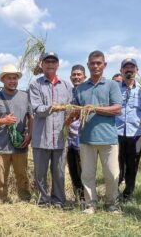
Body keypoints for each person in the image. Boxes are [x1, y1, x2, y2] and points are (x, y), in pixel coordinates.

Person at [74, 50, 122, 214]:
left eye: (98, 63)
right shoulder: (80, 88)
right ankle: (91, 204)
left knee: (112, 174)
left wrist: (94, 108)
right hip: (86, 138)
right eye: (92, 63)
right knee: (87, 175)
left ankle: (111, 204)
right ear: (88, 65)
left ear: (104, 65)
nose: (95, 66)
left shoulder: (112, 85)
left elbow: (117, 109)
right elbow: (76, 110)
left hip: (108, 138)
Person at [0, 65, 32, 203]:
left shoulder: (25, 96)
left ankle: (24, 198)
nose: (12, 81)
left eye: (15, 78)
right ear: (3, 80)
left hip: (20, 144)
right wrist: (4, 120)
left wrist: (30, 134)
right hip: (1, 145)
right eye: (9, 78)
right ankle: (2, 199)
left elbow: (31, 117)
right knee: (1, 175)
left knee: (22, 174)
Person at [29, 52, 72, 208]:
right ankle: (43, 200)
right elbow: (37, 108)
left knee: (59, 173)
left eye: (53, 62)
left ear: (58, 65)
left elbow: (70, 109)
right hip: (41, 138)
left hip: (60, 138)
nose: (50, 65)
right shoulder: (35, 84)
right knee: (40, 173)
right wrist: (52, 107)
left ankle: (58, 200)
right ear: (42, 65)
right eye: (47, 62)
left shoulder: (66, 85)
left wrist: (71, 116)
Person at [115, 58, 141, 202]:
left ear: (137, 70)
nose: (129, 70)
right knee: (116, 164)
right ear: (121, 71)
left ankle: (128, 194)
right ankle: (113, 192)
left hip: (136, 134)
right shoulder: (115, 89)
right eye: (126, 67)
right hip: (117, 133)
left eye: (132, 67)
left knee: (132, 165)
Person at [64, 64, 87, 203]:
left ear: (84, 77)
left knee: (85, 170)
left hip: (82, 137)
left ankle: (87, 197)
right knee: (73, 169)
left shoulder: (87, 92)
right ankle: (78, 197)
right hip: (69, 137)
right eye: (74, 75)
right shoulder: (68, 93)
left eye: (79, 74)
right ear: (70, 77)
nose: (77, 77)